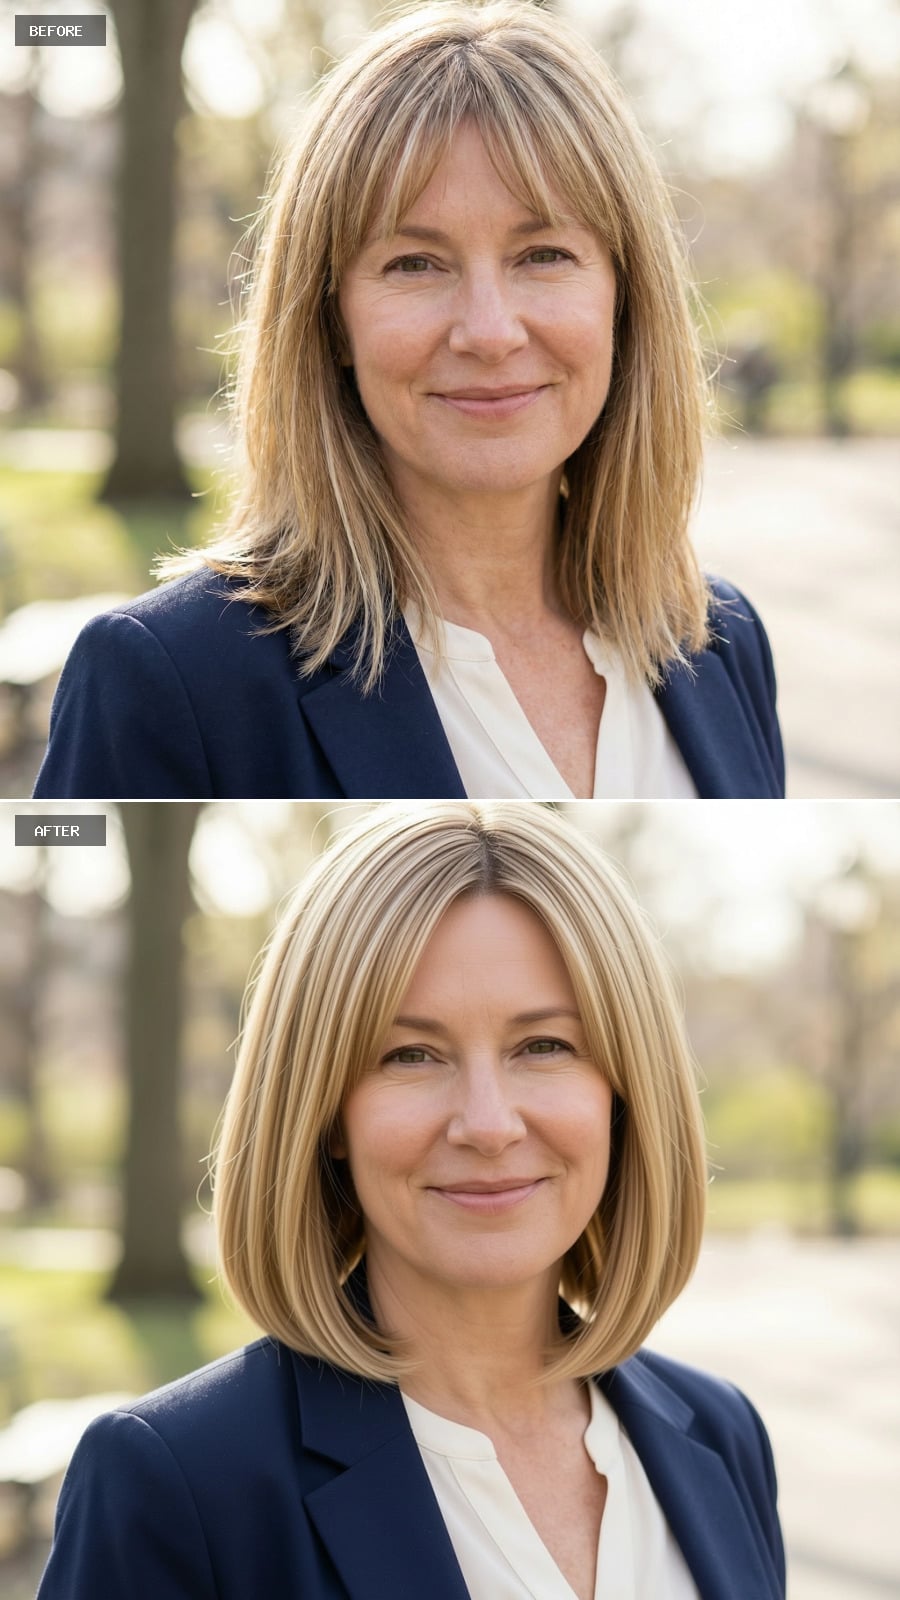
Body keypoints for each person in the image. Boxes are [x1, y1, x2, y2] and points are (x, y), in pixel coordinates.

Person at [34, 1, 783, 801]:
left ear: (624, 299)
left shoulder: (721, 641)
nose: (489, 331)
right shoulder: (168, 678)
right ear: (332, 319)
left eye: (543, 254)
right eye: (415, 264)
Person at [38, 802, 786, 1599]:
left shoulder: (721, 1434)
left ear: (623, 1094)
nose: (488, 1125)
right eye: (411, 1055)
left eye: (544, 1045)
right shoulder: (177, 1483)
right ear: (326, 1112)